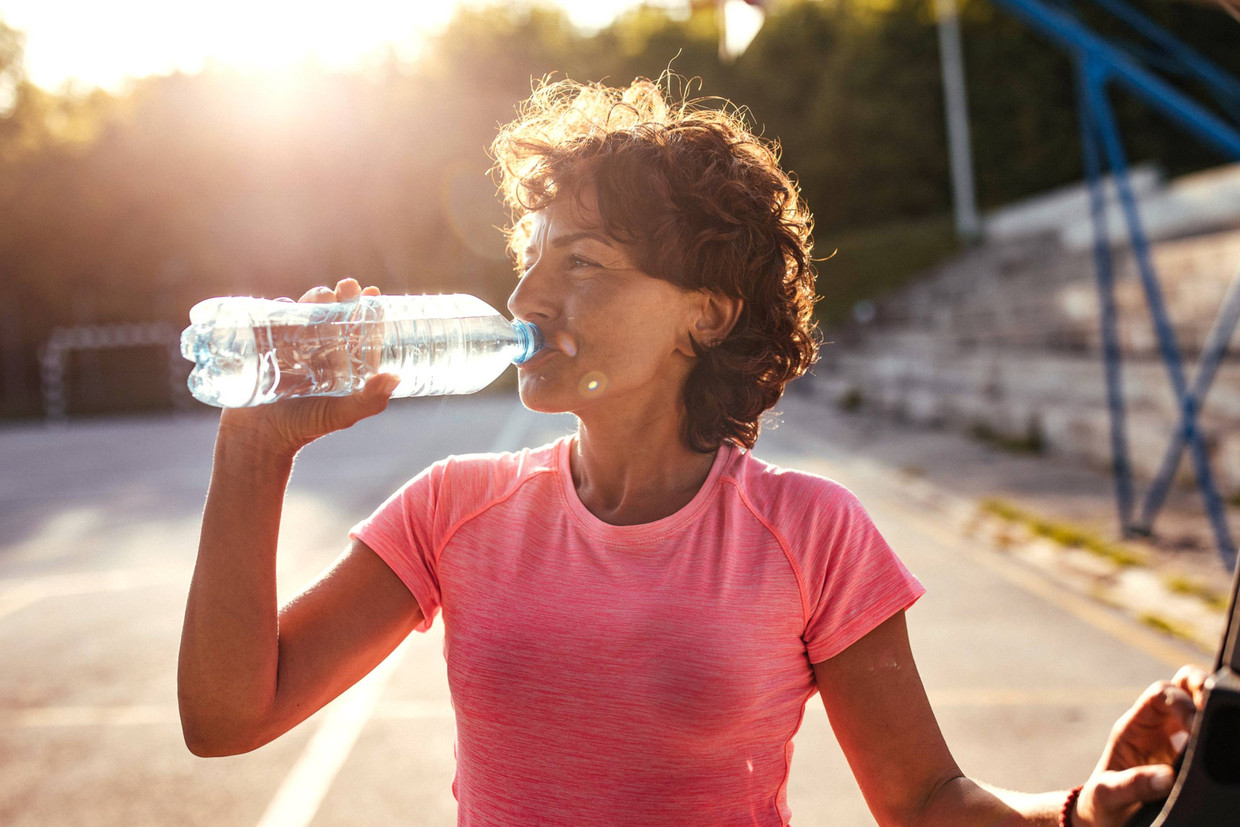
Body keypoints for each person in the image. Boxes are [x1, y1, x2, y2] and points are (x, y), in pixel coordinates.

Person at [178, 77, 1204, 826]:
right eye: (530, 263)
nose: (529, 299)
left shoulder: (810, 530)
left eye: (580, 263)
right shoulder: (451, 509)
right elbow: (228, 713)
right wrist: (254, 448)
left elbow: (929, 800)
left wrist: (1075, 811)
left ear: (704, 315)